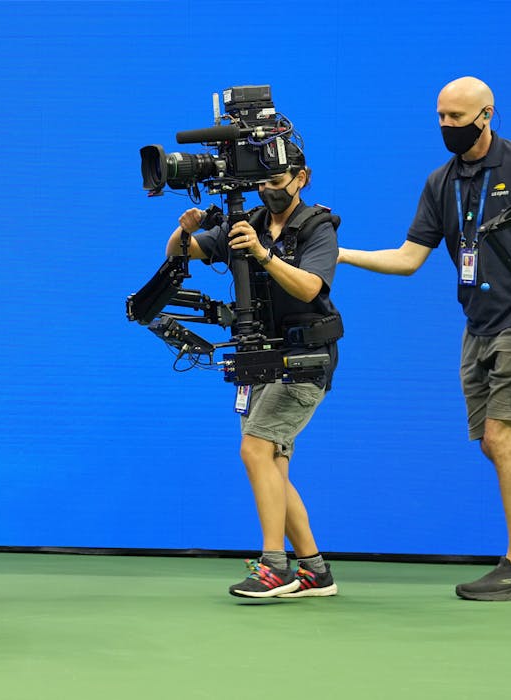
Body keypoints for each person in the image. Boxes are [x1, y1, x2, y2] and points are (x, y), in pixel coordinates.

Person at [338, 76, 511, 601]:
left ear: (486, 116)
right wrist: (341, 255)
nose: (446, 126)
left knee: (506, 440)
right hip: (478, 326)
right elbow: (408, 258)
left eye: (456, 119)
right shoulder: (440, 182)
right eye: (440, 117)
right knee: (493, 445)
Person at [166, 142, 342, 599]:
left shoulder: (318, 226)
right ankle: (315, 570)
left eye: (277, 182)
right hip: (261, 356)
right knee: (273, 463)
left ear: (301, 178)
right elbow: (180, 255)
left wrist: (264, 257)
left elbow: (309, 288)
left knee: (255, 449)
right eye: (262, 183)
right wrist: (184, 232)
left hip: (305, 358)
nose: (269, 191)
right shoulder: (250, 222)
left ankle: (274, 566)